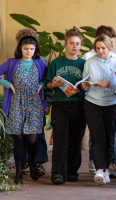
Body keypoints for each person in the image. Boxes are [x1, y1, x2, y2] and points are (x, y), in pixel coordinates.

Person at [0, 35, 47, 184]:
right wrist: (7, 84)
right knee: (19, 138)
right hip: (16, 103)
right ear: (20, 49)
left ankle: (32, 163)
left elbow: (48, 79)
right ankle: (19, 172)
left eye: (31, 49)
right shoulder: (11, 63)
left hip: (34, 104)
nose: (28, 51)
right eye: (26, 48)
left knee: (32, 139)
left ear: (35, 50)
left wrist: (43, 84)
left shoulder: (40, 63)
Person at [43, 28, 86, 184]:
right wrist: (52, 84)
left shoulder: (84, 63)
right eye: (71, 43)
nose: (74, 46)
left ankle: (72, 172)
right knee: (60, 139)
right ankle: (58, 174)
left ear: (80, 45)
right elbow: (46, 83)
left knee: (76, 139)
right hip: (60, 104)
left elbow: (88, 86)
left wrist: (80, 90)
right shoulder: (56, 62)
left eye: (77, 44)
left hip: (79, 104)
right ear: (65, 45)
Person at [82, 34, 116, 185]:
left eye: (103, 48)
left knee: (110, 137)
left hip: (112, 103)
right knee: (97, 137)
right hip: (92, 102)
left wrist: (109, 85)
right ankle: (99, 169)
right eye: (97, 48)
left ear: (109, 47)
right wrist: (85, 86)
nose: (100, 51)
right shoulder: (89, 62)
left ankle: (106, 169)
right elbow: (85, 81)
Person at [15, 28, 51, 177]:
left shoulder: (41, 61)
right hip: (20, 103)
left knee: (37, 134)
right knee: (21, 135)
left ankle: (38, 162)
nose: (27, 48)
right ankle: (23, 163)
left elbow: (46, 81)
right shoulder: (16, 60)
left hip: (37, 102)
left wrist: (47, 103)